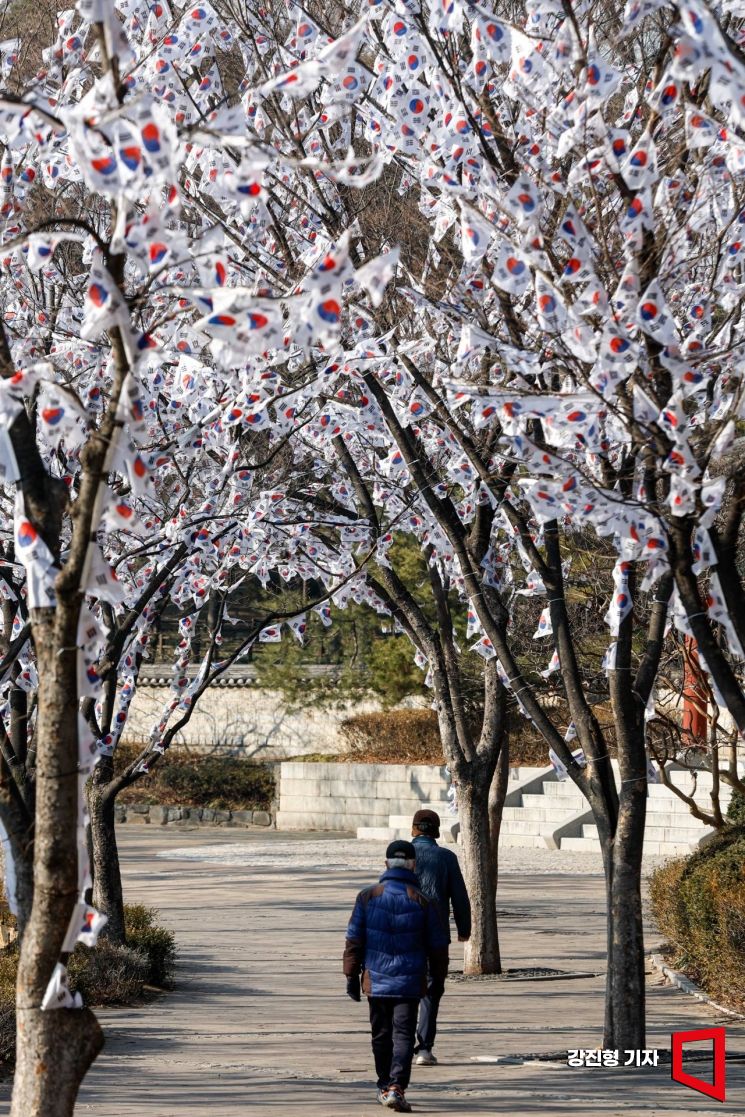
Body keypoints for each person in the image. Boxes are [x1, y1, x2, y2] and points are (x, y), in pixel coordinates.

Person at [343, 839, 449, 1113]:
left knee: (381, 1034)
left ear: (386, 864)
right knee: (403, 1035)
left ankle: (383, 1084)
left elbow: (354, 940)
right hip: (409, 981)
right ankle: (396, 1087)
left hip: (376, 981)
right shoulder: (424, 901)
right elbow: (438, 947)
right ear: (413, 865)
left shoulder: (367, 897)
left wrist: (351, 976)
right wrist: (438, 979)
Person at [410, 808, 471, 1066]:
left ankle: (400, 1042)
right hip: (436, 935)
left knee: (402, 986)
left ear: (413, 829)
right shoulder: (446, 857)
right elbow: (459, 897)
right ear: (435, 832)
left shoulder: (400, 854)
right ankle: (424, 1048)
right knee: (432, 989)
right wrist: (464, 929)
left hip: (404, 933)